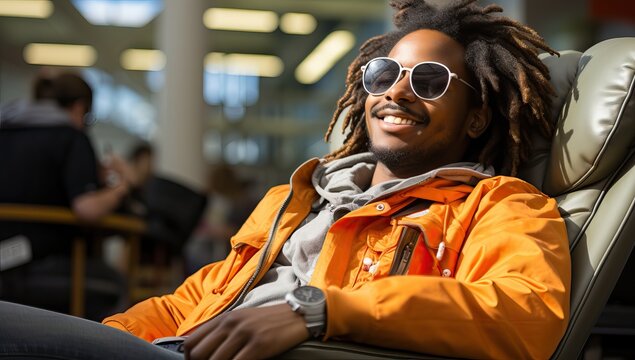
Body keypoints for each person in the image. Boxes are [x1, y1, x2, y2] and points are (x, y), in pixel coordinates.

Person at [0, 1, 570, 359]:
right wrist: (108, 338)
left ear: (475, 117)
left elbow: (522, 312)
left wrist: (318, 310)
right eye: (385, 74)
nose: (396, 91)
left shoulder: (501, 205)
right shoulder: (299, 198)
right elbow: (195, 300)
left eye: (428, 80)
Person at [0, 71, 131, 320]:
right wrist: (120, 188)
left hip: (4, 264)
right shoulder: (70, 136)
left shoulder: (6, 128)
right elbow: (87, 208)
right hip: (40, 266)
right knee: (116, 286)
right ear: (80, 107)